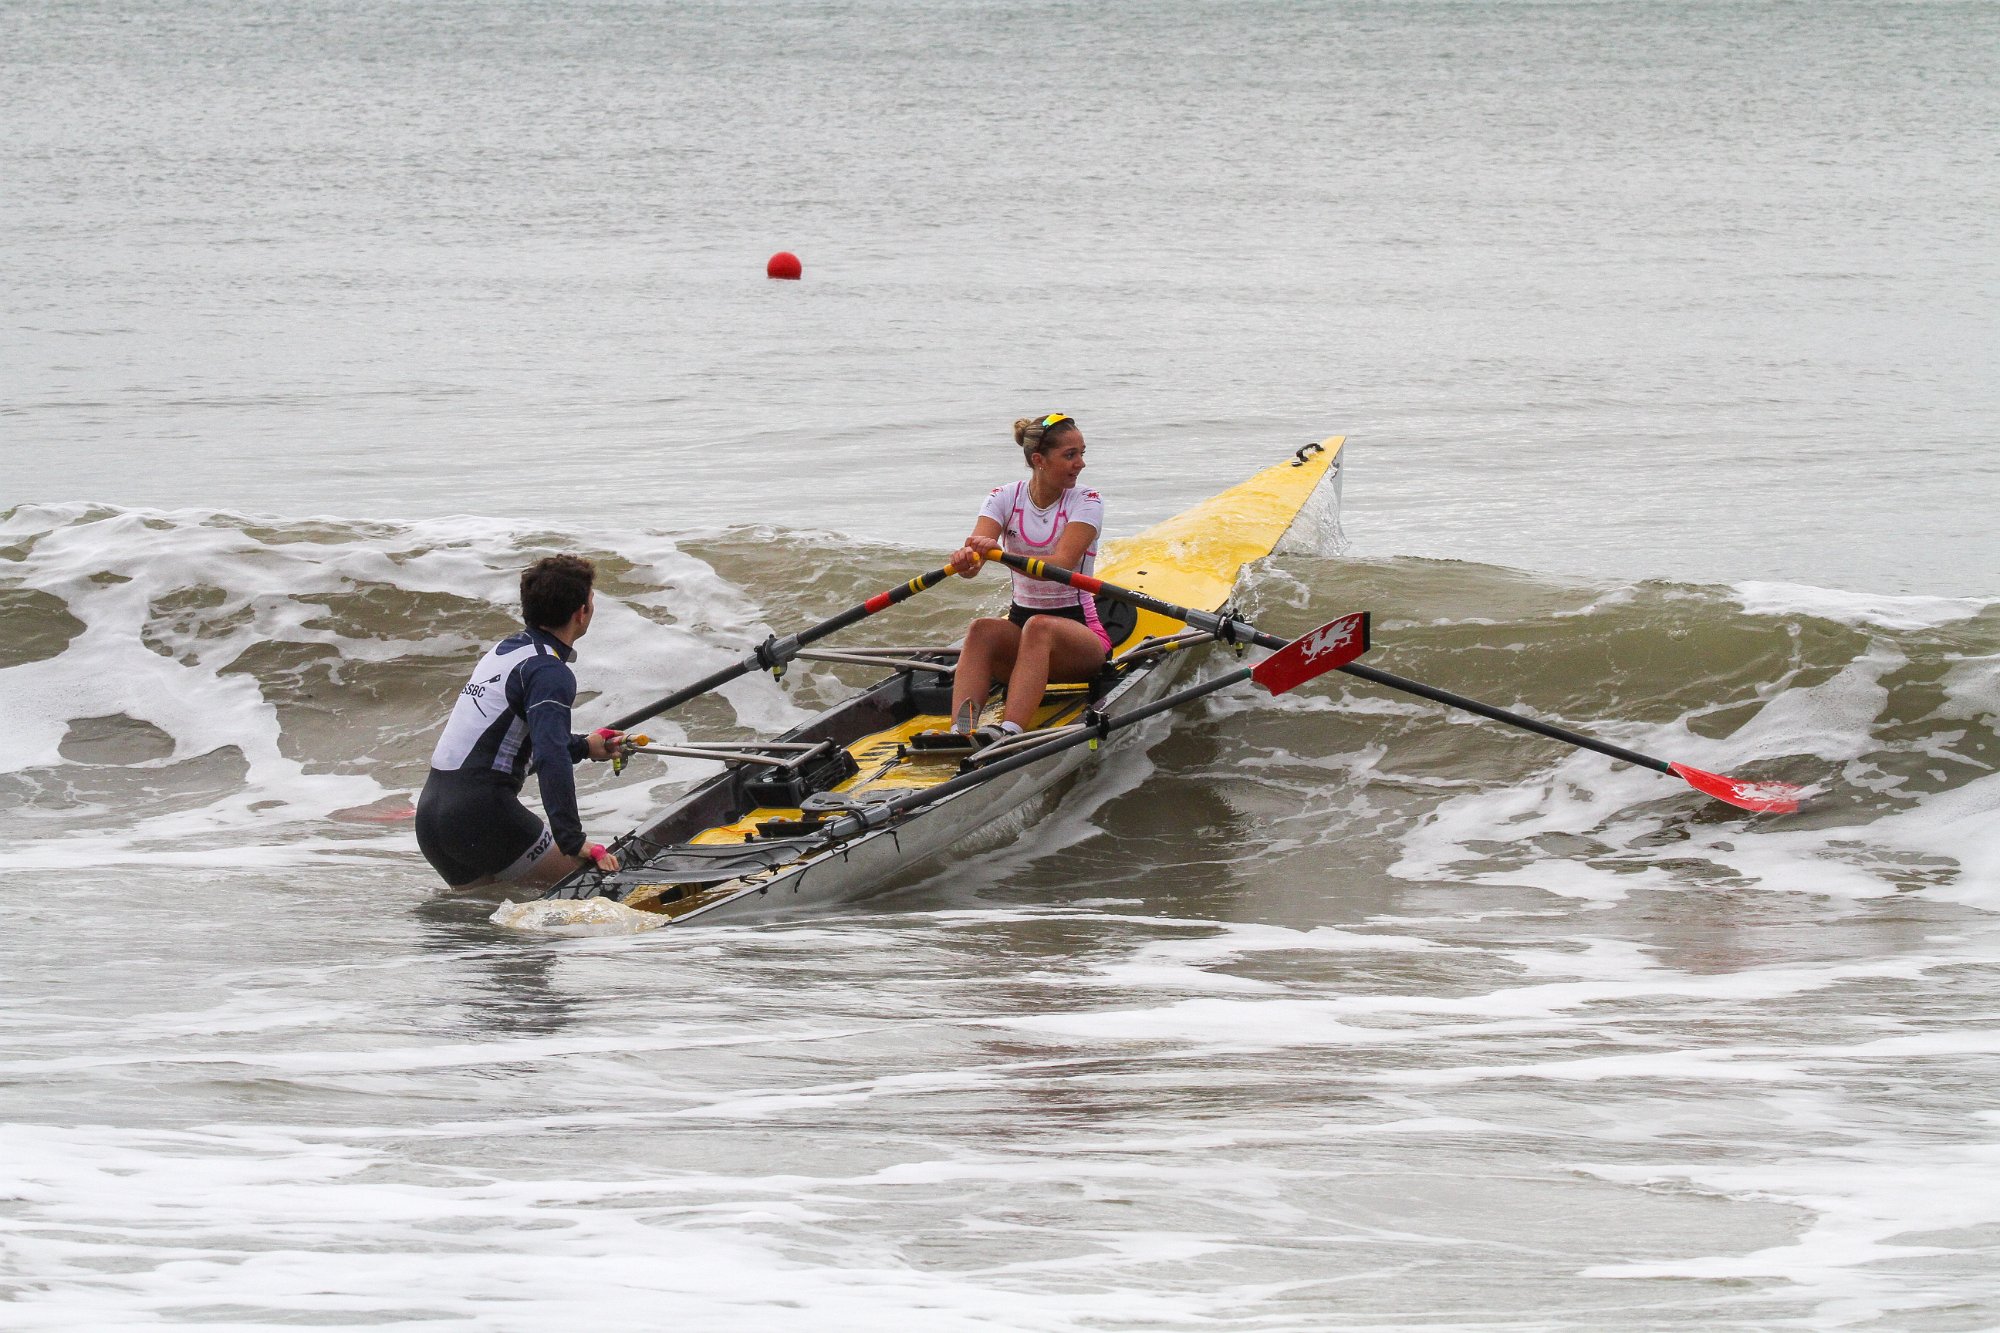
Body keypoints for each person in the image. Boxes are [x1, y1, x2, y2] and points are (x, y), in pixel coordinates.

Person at [415, 554, 625, 889]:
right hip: (483, 815)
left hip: (433, 819)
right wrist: (572, 841)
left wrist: (585, 746)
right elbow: (550, 755)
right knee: (599, 891)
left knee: (487, 934)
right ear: (581, 613)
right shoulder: (549, 671)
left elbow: (508, 739)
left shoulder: (506, 651)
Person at [931, 412, 1113, 747]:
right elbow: (972, 567)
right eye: (1070, 455)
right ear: (1038, 460)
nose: (1081, 464)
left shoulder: (1087, 501)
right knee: (982, 629)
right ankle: (961, 731)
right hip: (1022, 630)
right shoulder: (1003, 497)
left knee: (1039, 627)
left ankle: (1009, 731)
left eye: (1082, 453)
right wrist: (967, 559)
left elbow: (1062, 564)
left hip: (1081, 638)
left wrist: (999, 555)